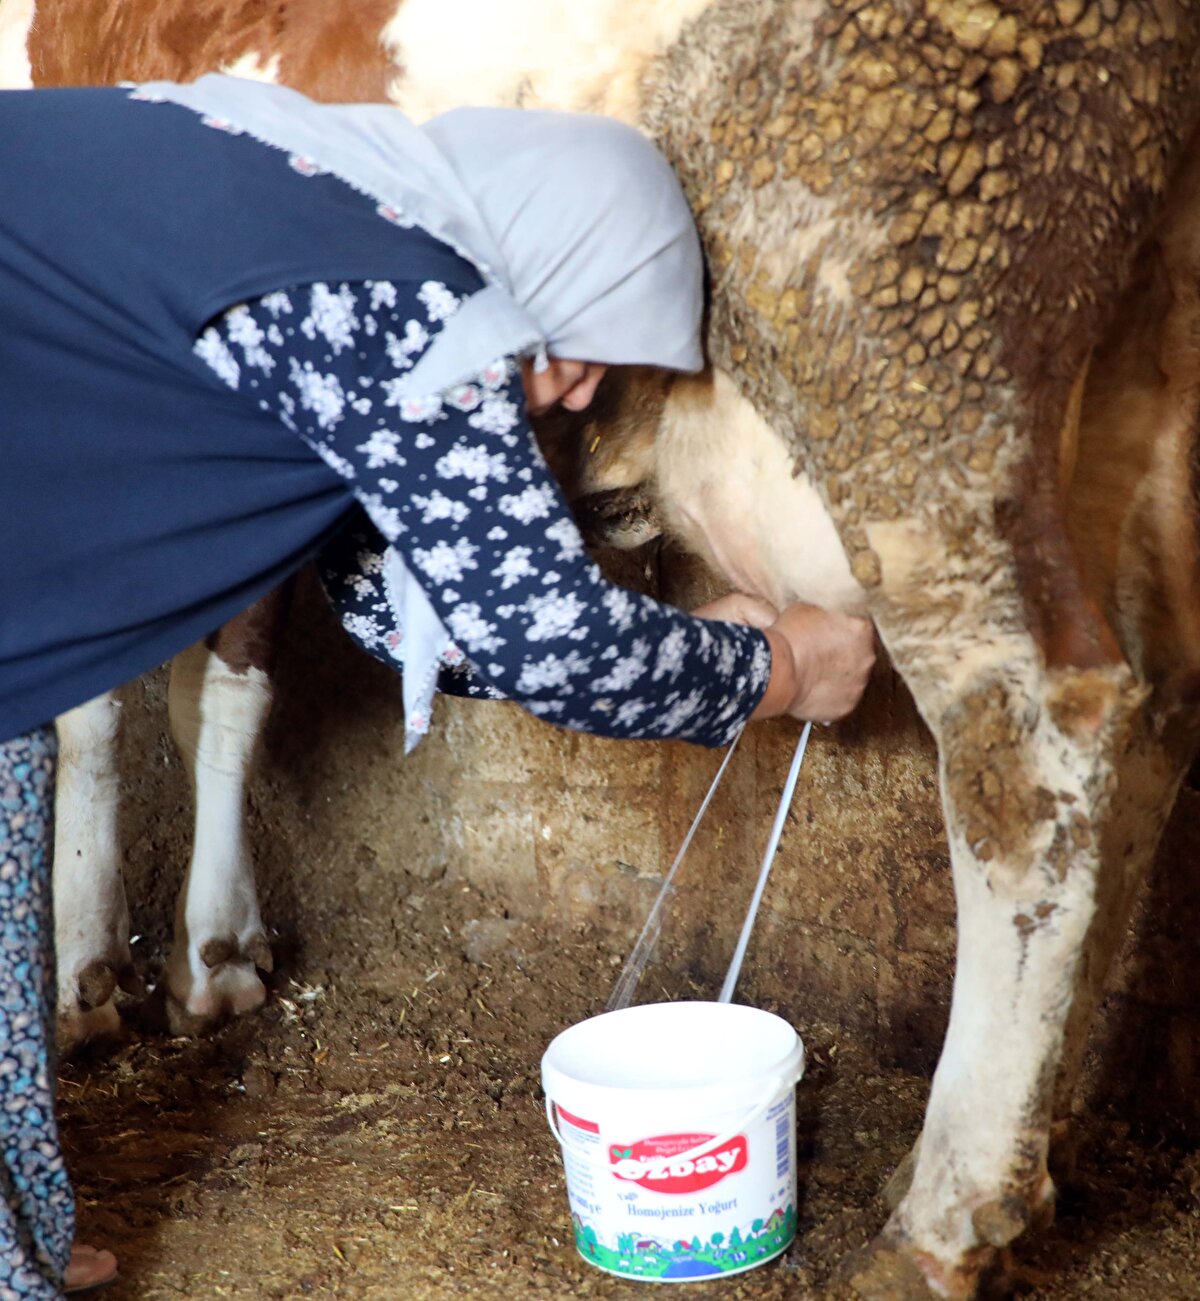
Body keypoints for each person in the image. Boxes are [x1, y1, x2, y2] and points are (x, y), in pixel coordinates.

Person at [0, 76, 874, 1295]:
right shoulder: (398, 302)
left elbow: (387, 599)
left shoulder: (337, 213)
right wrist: (779, 668)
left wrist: (682, 643)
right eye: (585, 345)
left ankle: (16, 1233)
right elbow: (544, 643)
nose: (575, 396)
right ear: (532, 262)